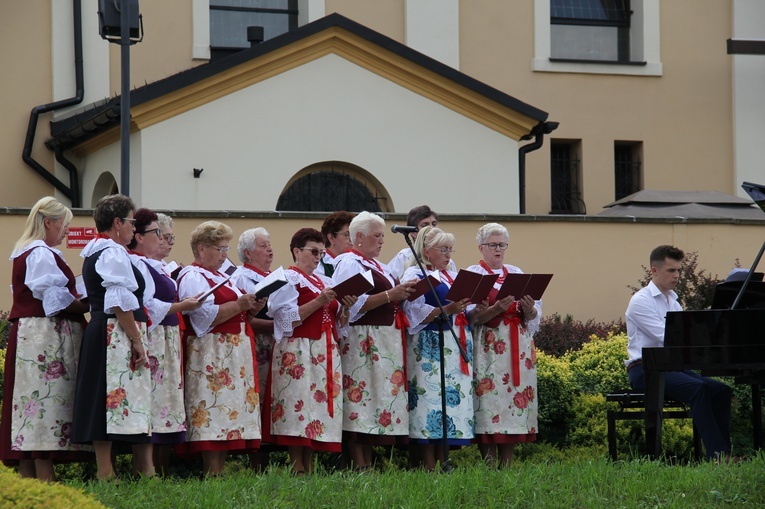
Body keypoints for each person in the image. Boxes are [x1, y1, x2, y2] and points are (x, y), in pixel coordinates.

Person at [0, 197, 90, 481]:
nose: (66, 231)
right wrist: (85, 303)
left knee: (35, 399)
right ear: (48, 222)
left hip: (35, 333)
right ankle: (43, 474)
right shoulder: (39, 253)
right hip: (43, 336)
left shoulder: (28, 251)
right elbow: (54, 299)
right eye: (64, 224)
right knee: (44, 400)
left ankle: (29, 473)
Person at [72, 194, 153, 480]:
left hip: (104, 329)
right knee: (106, 397)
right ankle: (107, 472)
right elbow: (118, 299)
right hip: (113, 332)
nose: (134, 228)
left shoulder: (97, 250)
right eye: (131, 221)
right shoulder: (112, 251)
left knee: (103, 397)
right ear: (117, 223)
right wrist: (136, 339)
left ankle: (111, 471)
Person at [625, 245, 732, 461]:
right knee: (698, 388)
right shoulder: (640, 301)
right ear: (654, 271)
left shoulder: (673, 300)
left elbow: (682, 340)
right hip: (645, 370)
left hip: (671, 367)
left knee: (722, 390)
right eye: (671, 271)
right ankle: (718, 456)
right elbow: (667, 338)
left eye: (679, 271)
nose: (677, 276)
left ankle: (725, 452)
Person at [175, 221, 266, 476]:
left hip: (232, 350)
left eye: (227, 248)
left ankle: (220, 470)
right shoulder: (193, 276)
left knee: (228, 410)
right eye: (220, 248)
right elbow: (203, 318)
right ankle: (211, 470)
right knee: (213, 409)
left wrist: (250, 309)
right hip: (211, 352)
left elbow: (235, 314)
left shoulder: (221, 276)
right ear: (202, 249)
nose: (225, 254)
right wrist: (239, 305)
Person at [265, 228, 357, 475]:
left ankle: (310, 465)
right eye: (313, 251)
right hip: (298, 349)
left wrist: (345, 309)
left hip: (324, 348)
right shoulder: (286, 278)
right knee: (299, 403)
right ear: (297, 251)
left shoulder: (326, 281)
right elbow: (284, 320)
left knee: (316, 406)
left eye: (321, 252)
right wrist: (318, 301)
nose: (318, 257)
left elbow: (338, 321)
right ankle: (297, 467)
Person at [332, 212, 416, 470]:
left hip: (384, 337)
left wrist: (401, 293)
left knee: (376, 398)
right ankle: (359, 463)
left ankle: (368, 460)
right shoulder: (349, 262)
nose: (381, 242)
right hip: (363, 338)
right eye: (376, 236)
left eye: (382, 236)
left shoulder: (378, 265)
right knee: (361, 397)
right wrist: (391, 294)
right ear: (359, 237)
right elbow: (349, 305)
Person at [127, 208, 202, 476]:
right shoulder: (136, 262)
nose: (163, 240)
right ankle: (144, 466)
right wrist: (182, 304)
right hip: (153, 336)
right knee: (151, 400)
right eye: (159, 234)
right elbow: (146, 304)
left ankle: (161, 467)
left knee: (164, 404)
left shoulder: (154, 265)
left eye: (166, 235)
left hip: (166, 337)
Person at [465, 223, 540, 468]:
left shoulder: (516, 272)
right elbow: (471, 318)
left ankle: (507, 463)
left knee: (513, 401)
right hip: (489, 346)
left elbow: (533, 316)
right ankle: (488, 463)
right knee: (488, 399)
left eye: (502, 245)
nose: (498, 249)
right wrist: (496, 309)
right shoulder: (474, 274)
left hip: (516, 346)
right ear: (481, 247)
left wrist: (529, 308)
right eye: (493, 245)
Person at [400, 226, 474, 470]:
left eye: (451, 249)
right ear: (426, 251)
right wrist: (447, 310)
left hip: (452, 342)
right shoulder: (414, 273)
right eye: (443, 249)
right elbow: (411, 313)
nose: (448, 254)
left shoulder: (450, 274)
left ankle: (445, 459)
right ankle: (429, 463)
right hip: (428, 345)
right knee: (429, 400)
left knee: (448, 400)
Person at [230, 227, 277, 471]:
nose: (269, 249)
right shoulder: (241, 278)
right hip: (256, 342)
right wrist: (275, 325)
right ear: (248, 253)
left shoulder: (274, 276)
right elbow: (243, 317)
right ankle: (256, 460)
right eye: (262, 245)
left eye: (269, 244)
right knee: (256, 399)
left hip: (275, 343)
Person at [388, 205, 455, 280]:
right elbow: (391, 284)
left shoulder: (448, 261)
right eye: (425, 225)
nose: (431, 228)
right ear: (413, 232)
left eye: (434, 224)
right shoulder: (404, 257)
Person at [317, 211, 355, 277]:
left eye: (353, 235)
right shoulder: (319, 266)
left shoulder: (355, 262)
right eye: (347, 234)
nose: (352, 239)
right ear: (331, 238)